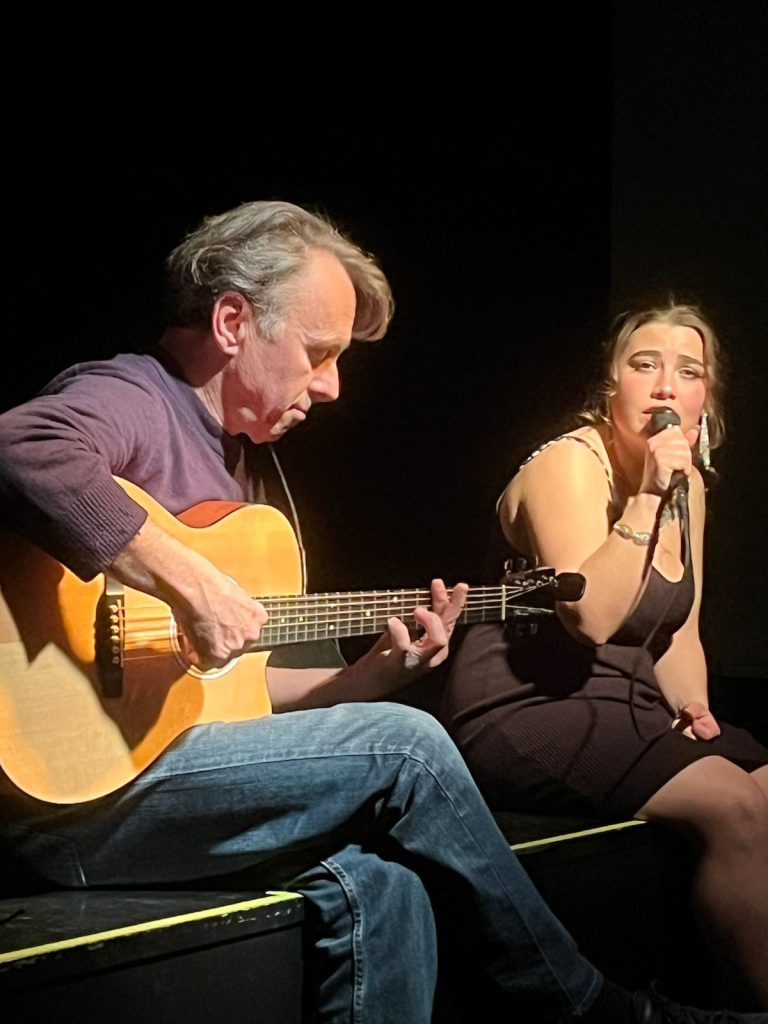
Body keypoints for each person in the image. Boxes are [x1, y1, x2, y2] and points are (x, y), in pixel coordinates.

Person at [0, 205, 760, 1024]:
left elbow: (230, 695)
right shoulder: (135, 396)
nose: (331, 385)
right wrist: (188, 580)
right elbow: (23, 445)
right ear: (231, 323)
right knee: (409, 744)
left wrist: (367, 678)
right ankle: (592, 1008)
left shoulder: (238, 462)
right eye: (318, 353)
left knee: (386, 886)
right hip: (74, 806)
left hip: (160, 779)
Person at [439, 302, 768, 1011]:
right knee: (733, 804)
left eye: (689, 372)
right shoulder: (568, 464)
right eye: (645, 365)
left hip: (624, 700)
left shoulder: (690, 488)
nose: (665, 386)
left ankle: (704, 989)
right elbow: (589, 616)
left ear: (705, 402)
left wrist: (692, 707)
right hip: (527, 703)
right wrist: (646, 497)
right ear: (610, 388)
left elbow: (679, 631)